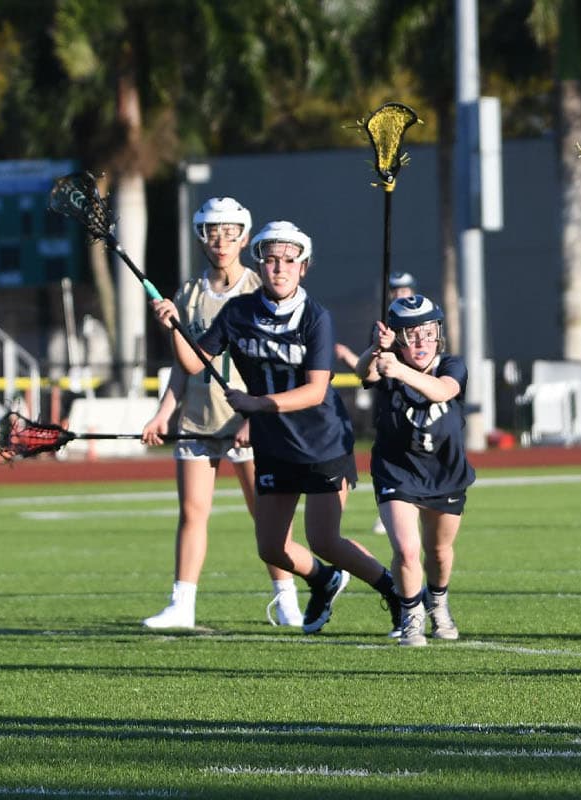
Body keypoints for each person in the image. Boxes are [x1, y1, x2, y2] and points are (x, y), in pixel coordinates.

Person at [152, 220, 404, 636]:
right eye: (270, 260)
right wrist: (174, 326)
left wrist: (256, 405)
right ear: (260, 265)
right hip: (274, 442)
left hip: (321, 440)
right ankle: (324, 580)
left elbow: (315, 390)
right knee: (270, 546)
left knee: (324, 540)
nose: (279, 268)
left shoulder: (315, 317)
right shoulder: (238, 312)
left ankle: (395, 592)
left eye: (289, 261)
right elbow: (194, 363)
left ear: (303, 267)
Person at [137, 197, 301, 630]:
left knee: (265, 516)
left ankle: (287, 600)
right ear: (201, 238)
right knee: (192, 514)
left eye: (230, 232)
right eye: (213, 232)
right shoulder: (189, 294)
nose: (221, 240)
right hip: (197, 419)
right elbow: (183, 366)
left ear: (244, 238)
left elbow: (274, 362)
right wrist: (163, 414)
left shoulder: (258, 290)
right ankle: (182, 604)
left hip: (246, 421)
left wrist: (256, 417)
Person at [358, 294, 474, 646]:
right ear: (397, 337)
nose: (420, 341)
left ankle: (438, 602)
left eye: (427, 333)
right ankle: (411, 615)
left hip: (444, 472)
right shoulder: (387, 363)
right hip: (397, 471)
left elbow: (442, 392)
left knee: (438, 552)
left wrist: (401, 370)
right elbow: (362, 372)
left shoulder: (452, 366)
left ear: (438, 333)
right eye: (410, 334)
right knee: (407, 550)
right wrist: (375, 351)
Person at [336, 271, 426, 535]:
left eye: (404, 290)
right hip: (388, 403)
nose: (399, 294)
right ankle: (391, 512)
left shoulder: (423, 326)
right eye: (395, 290)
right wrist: (369, 351)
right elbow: (371, 371)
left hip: (415, 403)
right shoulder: (381, 328)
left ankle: (417, 508)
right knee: (389, 459)